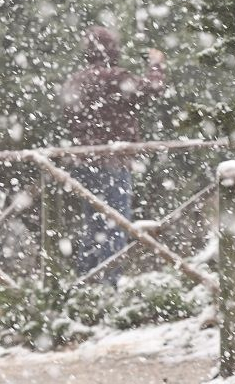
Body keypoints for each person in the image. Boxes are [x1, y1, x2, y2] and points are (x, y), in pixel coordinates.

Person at [58, 26, 165, 281]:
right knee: (116, 223)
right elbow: (153, 88)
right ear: (112, 50)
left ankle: (85, 284)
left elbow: (68, 116)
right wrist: (157, 65)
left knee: (94, 225)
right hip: (114, 160)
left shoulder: (75, 81)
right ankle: (109, 286)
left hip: (84, 162)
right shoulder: (116, 77)